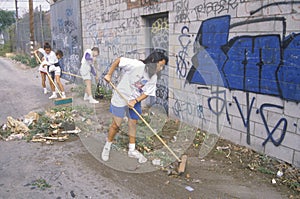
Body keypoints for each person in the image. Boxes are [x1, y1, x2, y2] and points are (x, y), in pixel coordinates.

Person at [101, 50, 168, 163]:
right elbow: (118, 60)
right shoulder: (137, 65)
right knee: (116, 125)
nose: (161, 68)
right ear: (153, 61)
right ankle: (107, 147)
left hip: (134, 100)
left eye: (163, 66)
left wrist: (135, 101)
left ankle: (132, 150)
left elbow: (146, 93)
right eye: (160, 65)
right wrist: (109, 74)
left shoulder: (153, 77)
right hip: (121, 97)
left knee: (133, 123)